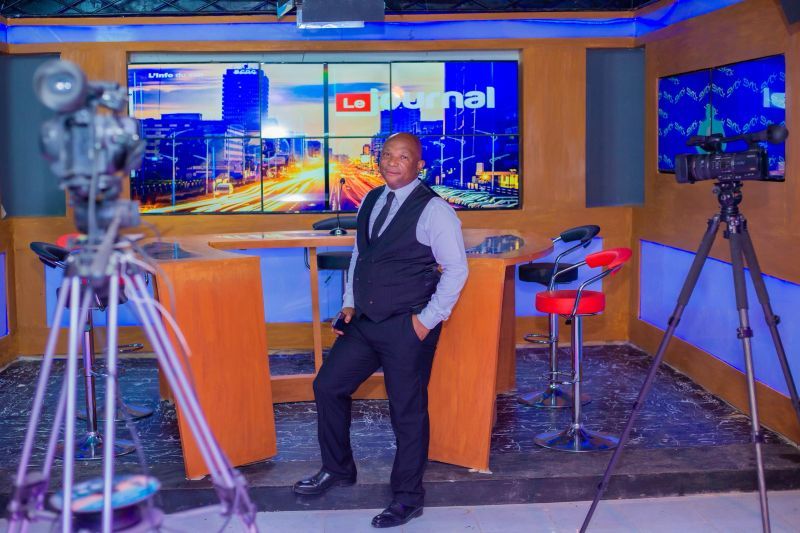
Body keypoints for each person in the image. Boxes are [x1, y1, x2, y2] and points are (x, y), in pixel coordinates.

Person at [293, 133, 468, 528]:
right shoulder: (371, 199)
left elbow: (457, 270)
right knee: (328, 386)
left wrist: (425, 321)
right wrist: (349, 303)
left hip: (407, 325)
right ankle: (338, 468)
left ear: (418, 165)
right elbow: (361, 255)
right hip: (365, 321)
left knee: (406, 411)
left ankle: (408, 497)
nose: (391, 162)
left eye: (402, 157)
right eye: (387, 154)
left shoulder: (435, 210)